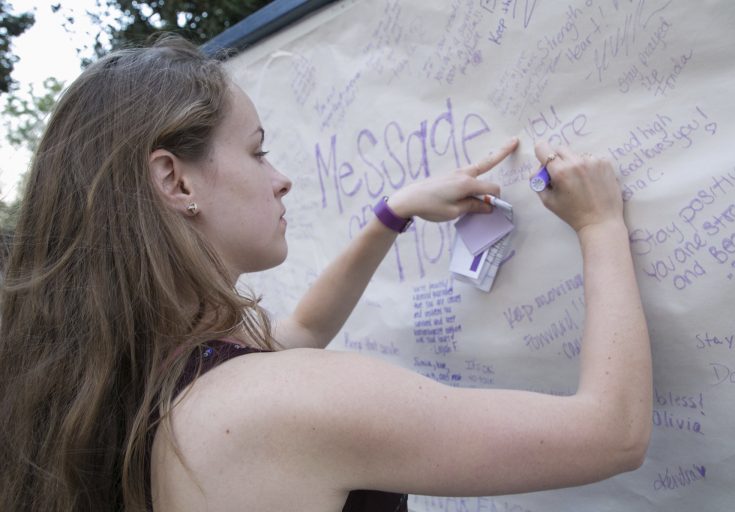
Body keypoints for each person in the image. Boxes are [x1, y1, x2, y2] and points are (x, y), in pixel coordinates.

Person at [0, 34, 651, 512]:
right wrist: (599, 226)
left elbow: (304, 328)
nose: (281, 179)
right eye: (257, 152)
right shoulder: (279, 405)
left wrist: (391, 215)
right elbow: (611, 433)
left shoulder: (133, 382)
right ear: (174, 178)